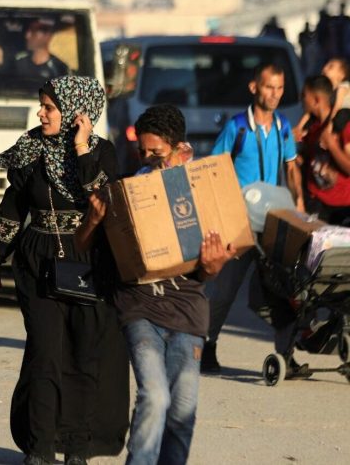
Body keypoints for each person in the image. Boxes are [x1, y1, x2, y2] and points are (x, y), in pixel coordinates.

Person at [0, 75, 129, 465]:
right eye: (41, 105)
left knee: (83, 356)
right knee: (45, 353)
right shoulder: (29, 150)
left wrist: (80, 148)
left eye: (49, 107)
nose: (40, 113)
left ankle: (77, 450)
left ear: (77, 112)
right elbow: (13, 209)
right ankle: (40, 448)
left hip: (89, 260)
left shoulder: (103, 153)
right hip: (39, 258)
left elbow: (103, 195)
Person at [80, 104, 235, 465]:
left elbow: (211, 266)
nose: (148, 161)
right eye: (142, 152)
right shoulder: (131, 190)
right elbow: (84, 244)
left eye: (157, 154)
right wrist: (93, 218)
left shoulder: (200, 192)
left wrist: (214, 265)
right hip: (140, 309)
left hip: (188, 314)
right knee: (155, 396)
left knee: (182, 414)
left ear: (182, 151)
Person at [203, 62, 303, 373]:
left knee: (283, 289)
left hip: (274, 223)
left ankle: (286, 355)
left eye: (280, 87)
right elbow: (215, 168)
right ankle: (208, 347)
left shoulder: (283, 126)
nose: (275, 94)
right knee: (225, 290)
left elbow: (291, 167)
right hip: (240, 222)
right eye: (269, 87)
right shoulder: (237, 127)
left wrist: (298, 203)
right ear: (254, 88)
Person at [300, 75, 350, 225]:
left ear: (316, 100)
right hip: (316, 205)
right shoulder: (313, 128)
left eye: (304, 96)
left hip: (341, 208)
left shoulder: (344, 125)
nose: (301, 100)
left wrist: (331, 144)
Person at [9, 19, 69, 90]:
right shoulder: (18, 61)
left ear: (47, 36)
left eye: (33, 32)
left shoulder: (58, 69)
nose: (27, 36)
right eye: (28, 31)